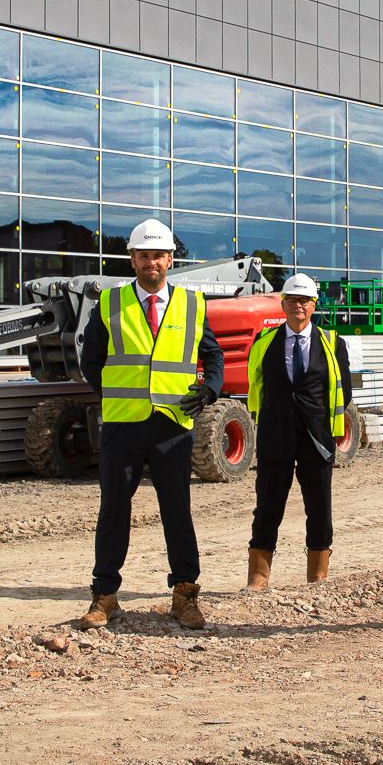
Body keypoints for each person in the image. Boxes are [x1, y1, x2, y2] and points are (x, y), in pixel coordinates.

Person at [77, 218, 226, 630]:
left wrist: (209, 391)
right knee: (113, 512)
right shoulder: (110, 303)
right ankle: (104, 597)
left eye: (158, 255)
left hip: (172, 426)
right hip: (124, 425)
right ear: (132, 259)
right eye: (144, 255)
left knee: (177, 511)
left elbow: (213, 358)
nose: (152, 263)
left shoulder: (193, 304)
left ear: (170, 259)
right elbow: (91, 361)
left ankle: (184, 595)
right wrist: (113, 394)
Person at [245, 272, 351, 589]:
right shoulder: (264, 344)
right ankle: (258, 577)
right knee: (267, 506)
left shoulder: (333, 344)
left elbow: (344, 392)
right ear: (283, 304)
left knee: (319, 507)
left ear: (313, 305)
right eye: (292, 300)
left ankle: (318, 576)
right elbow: (256, 388)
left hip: (316, 439)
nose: (298, 306)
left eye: (304, 300)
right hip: (275, 437)